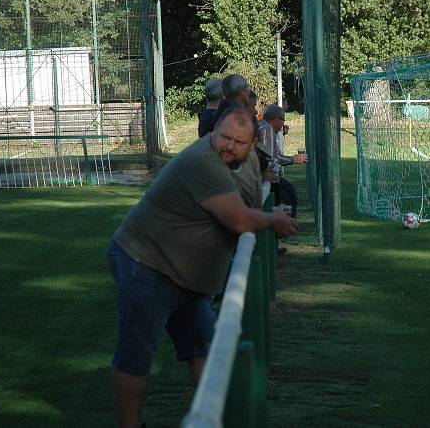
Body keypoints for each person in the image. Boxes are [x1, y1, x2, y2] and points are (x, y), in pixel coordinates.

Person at [108, 107, 297, 428]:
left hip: (189, 276)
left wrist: (263, 213)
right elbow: (240, 220)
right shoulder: (203, 162)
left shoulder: (248, 160)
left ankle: (212, 418)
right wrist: (272, 220)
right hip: (147, 262)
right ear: (213, 132)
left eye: (238, 141)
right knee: (136, 354)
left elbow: (250, 205)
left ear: (253, 144)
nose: (228, 145)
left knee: (207, 349)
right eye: (223, 136)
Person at [257, 104, 307, 218]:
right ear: (275, 118)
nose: (284, 123)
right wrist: (293, 159)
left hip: (266, 178)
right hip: (268, 178)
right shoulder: (266, 129)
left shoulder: (265, 127)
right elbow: (271, 158)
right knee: (288, 199)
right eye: (283, 119)